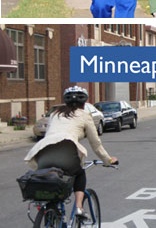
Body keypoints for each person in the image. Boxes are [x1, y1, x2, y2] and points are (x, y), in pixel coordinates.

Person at [24, 86, 118, 217]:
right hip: (67, 155)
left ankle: (50, 222)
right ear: (84, 103)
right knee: (79, 173)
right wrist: (107, 160)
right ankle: (79, 207)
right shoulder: (85, 115)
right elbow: (95, 144)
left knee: (53, 183)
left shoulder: (54, 114)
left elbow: (49, 135)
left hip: (42, 154)